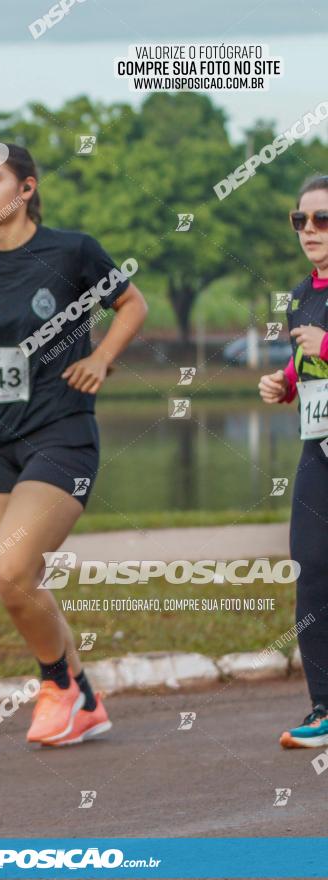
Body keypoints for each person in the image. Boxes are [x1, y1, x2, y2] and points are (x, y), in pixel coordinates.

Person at [0, 144, 147, 746]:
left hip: (62, 435)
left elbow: (132, 303)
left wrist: (101, 357)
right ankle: (86, 699)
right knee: (15, 585)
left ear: (25, 190)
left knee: (13, 567)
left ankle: (58, 686)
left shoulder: (71, 251)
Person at [259, 174, 328, 748]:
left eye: (322, 219)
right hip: (319, 452)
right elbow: (310, 371)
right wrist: (284, 382)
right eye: (300, 220)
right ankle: (323, 707)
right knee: (310, 570)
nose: (309, 230)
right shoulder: (300, 295)